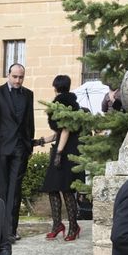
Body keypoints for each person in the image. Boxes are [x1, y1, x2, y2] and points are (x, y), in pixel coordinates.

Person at [0, 63, 35, 243]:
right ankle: (2, 230)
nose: (18, 80)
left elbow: (30, 122)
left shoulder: (28, 94)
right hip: (2, 148)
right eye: (15, 77)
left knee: (16, 189)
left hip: (21, 148)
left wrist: (30, 146)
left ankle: (12, 229)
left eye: (21, 77)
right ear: (8, 75)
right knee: (4, 189)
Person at [37, 75, 85, 242]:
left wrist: (58, 153)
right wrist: (42, 141)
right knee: (53, 187)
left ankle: (73, 226)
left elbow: (65, 130)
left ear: (56, 87)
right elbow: (59, 133)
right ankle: (58, 225)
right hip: (68, 148)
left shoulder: (62, 103)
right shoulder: (73, 104)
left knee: (65, 189)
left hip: (66, 151)